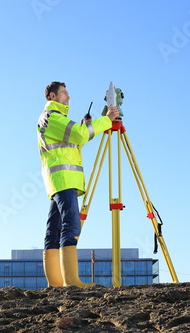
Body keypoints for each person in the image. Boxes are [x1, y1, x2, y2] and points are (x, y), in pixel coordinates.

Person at [37, 81, 120, 287]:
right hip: (64, 179)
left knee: (54, 229)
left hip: (61, 180)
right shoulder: (52, 116)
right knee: (71, 225)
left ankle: (56, 283)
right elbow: (80, 135)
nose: (69, 97)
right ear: (52, 97)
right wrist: (107, 120)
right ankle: (72, 281)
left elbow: (78, 138)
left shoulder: (57, 119)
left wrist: (85, 125)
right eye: (64, 93)